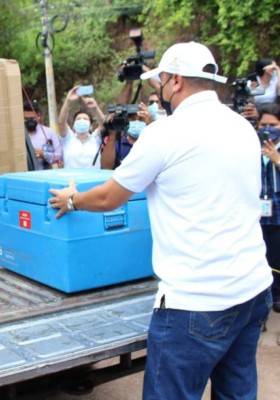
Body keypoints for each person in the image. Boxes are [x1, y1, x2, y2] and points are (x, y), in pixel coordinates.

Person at [49, 42, 272, 399]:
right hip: (252, 290)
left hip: (196, 303)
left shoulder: (166, 133)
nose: (161, 90)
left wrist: (71, 199)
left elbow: (109, 196)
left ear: (177, 81)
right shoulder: (241, 126)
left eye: (162, 81)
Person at [257, 104, 280, 312]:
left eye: (273, 124)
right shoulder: (252, 147)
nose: (268, 128)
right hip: (258, 217)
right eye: (263, 124)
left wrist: (277, 159)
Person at [57, 86, 109, 169]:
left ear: (91, 126)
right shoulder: (68, 138)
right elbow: (61, 123)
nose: (81, 120)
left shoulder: (96, 139)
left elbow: (104, 125)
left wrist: (95, 108)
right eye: (78, 119)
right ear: (73, 126)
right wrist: (68, 101)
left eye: (85, 119)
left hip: (93, 180)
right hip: (71, 180)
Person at [23, 100, 62, 169]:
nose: (29, 121)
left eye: (32, 118)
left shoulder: (49, 133)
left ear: (38, 116)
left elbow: (59, 156)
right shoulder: (18, 135)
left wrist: (43, 155)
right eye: (26, 119)